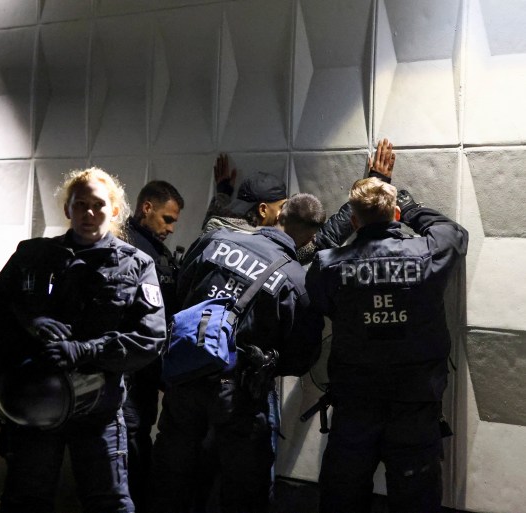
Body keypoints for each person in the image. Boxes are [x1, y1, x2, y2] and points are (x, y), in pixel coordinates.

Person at [0, 167, 167, 513]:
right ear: (68, 209)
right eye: (80, 205)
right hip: (35, 403)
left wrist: (84, 350)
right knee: (24, 501)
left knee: (109, 503)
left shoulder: (136, 265)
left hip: (99, 408)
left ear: (115, 211)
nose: (89, 214)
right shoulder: (32, 256)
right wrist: (31, 323)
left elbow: (150, 338)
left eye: (98, 205)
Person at [305, 151, 469, 512]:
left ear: (353, 219)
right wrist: (404, 201)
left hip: (354, 403)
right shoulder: (426, 253)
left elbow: (321, 299)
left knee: (342, 498)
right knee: (416, 501)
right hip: (415, 404)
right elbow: (454, 233)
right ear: (395, 214)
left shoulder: (328, 266)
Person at [150, 193, 326, 513]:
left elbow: (178, 293)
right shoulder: (297, 281)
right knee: (245, 487)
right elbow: (302, 358)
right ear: (311, 237)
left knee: (172, 473)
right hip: (240, 395)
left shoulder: (214, 239)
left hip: (185, 377)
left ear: (277, 215)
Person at [123, 180, 185, 513]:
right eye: (167, 219)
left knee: (138, 437)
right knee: (130, 442)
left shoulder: (156, 252)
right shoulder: (123, 245)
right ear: (147, 208)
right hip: (127, 370)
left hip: (146, 368)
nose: (171, 228)